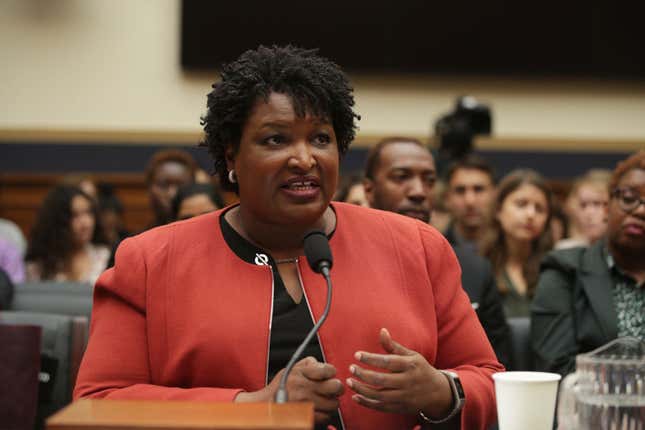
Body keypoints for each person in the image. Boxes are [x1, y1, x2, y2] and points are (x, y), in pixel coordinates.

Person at [74, 46, 502, 430]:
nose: (304, 158)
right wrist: (254, 406)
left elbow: (491, 380)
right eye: (276, 139)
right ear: (231, 158)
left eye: (321, 138)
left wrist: (444, 392)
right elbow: (98, 405)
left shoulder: (417, 247)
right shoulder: (150, 261)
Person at [363, 136, 511, 369]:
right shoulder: (335, 261)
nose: (419, 192)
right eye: (402, 177)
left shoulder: (473, 269)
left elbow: (497, 370)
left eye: (429, 180)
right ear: (369, 190)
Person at [532, 151, 645, 377]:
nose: (641, 210)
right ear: (606, 206)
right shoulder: (564, 271)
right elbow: (556, 369)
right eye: (629, 198)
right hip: (592, 409)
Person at [480, 169, 554, 318]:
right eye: (521, 204)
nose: (531, 215)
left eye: (539, 209)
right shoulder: (480, 267)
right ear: (498, 210)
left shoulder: (554, 269)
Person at [25, 185, 110, 284]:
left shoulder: (105, 257)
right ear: (58, 222)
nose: (86, 223)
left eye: (88, 213)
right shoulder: (38, 266)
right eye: (75, 215)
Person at [443, 155, 496, 248]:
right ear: (447, 198)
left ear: (494, 194)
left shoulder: (512, 251)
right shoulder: (436, 249)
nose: (470, 201)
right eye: (460, 190)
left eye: (478, 189)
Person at [555, 169, 610, 249]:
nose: (588, 213)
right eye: (583, 205)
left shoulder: (627, 251)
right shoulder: (564, 251)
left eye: (597, 204)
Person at [145, 149, 198, 228]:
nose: (172, 193)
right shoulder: (139, 239)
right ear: (149, 189)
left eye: (181, 186)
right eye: (163, 185)